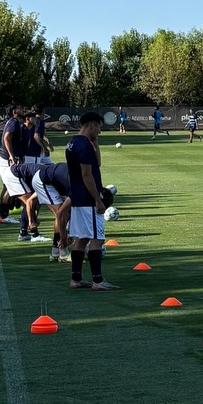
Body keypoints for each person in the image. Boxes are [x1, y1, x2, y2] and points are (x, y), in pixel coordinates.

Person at [65, 111, 117, 289]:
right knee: (97, 239)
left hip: (77, 197)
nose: (100, 132)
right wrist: (98, 199)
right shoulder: (84, 146)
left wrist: (95, 142)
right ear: (92, 125)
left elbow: (97, 164)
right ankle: (98, 280)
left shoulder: (73, 142)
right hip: (88, 199)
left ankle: (76, 279)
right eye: (99, 128)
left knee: (82, 238)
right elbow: (87, 174)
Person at [0, 106, 46, 242]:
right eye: (33, 116)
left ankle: (24, 229)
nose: (36, 119)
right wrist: (12, 156)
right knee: (27, 198)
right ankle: (30, 230)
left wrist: (19, 158)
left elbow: (22, 146)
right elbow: (7, 138)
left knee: (27, 197)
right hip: (6, 160)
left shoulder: (24, 128)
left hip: (15, 162)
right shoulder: (14, 123)